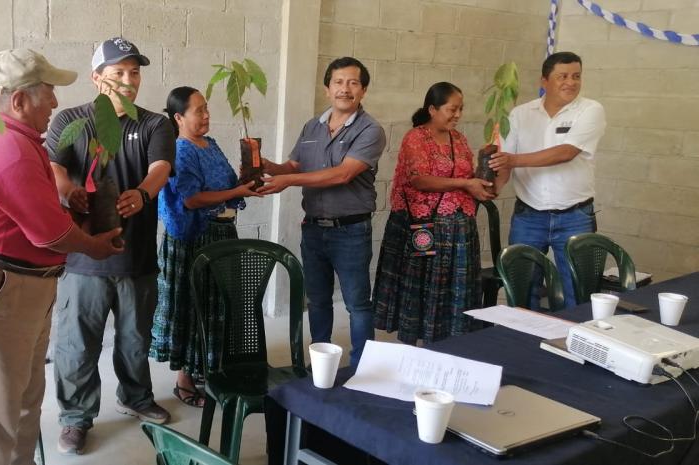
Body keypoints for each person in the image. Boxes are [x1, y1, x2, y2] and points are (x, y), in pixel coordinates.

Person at [0, 49, 123, 465]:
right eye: (48, 93)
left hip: (8, 283)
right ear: (18, 101)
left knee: (19, 401)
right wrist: (97, 246)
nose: (55, 102)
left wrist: (66, 201)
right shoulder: (10, 147)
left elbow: (29, 212)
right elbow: (51, 234)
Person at [47, 37, 174, 455]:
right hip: (83, 257)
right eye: (118, 72)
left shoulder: (154, 123)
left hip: (135, 255)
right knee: (76, 343)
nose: (128, 80)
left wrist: (142, 193)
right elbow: (55, 168)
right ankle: (75, 417)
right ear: (97, 77)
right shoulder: (71, 119)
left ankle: (135, 396)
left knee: (135, 337)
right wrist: (68, 192)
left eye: (134, 72)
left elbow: (161, 167)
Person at [258, 56, 385, 367]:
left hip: (351, 231)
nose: (345, 89)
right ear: (327, 88)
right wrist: (263, 164)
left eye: (353, 83)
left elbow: (343, 174)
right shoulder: (312, 126)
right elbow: (293, 165)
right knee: (317, 301)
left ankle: (362, 370)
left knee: (357, 304)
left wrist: (286, 181)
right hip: (314, 229)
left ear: (363, 91)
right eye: (339, 82)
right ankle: (321, 363)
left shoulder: (371, 130)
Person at [150, 86, 261, 407]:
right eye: (199, 110)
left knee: (217, 306)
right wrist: (236, 191)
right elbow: (191, 199)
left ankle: (207, 370)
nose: (206, 115)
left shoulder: (209, 145)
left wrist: (246, 181)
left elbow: (226, 185)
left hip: (222, 234)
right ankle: (184, 381)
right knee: (193, 306)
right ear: (179, 117)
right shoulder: (180, 150)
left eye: (207, 108)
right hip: (195, 238)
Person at [373, 82, 499, 345]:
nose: (458, 115)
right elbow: (419, 180)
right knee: (421, 291)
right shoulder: (416, 138)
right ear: (432, 109)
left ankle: (443, 348)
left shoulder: (460, 139)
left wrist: (485, 172)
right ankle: (412, 351)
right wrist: (465, 184)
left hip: (458, 232)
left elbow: (468, 176)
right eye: (452, 109)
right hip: (425, 228)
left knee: (450, 294)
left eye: (460, 109)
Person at [489, 51, 606, 309]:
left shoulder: (590, 110)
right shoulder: (519, 114)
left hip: (574, 216)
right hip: (529, 215)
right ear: (544, 81)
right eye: (562, 76)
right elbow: (504, 162)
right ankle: (522, 344)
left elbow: (566, 152)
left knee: (577, 289)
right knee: (522, 288)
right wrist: (492, 187)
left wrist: (512, 160)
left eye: (576, 76)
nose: (570, 82)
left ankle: (571, 343)